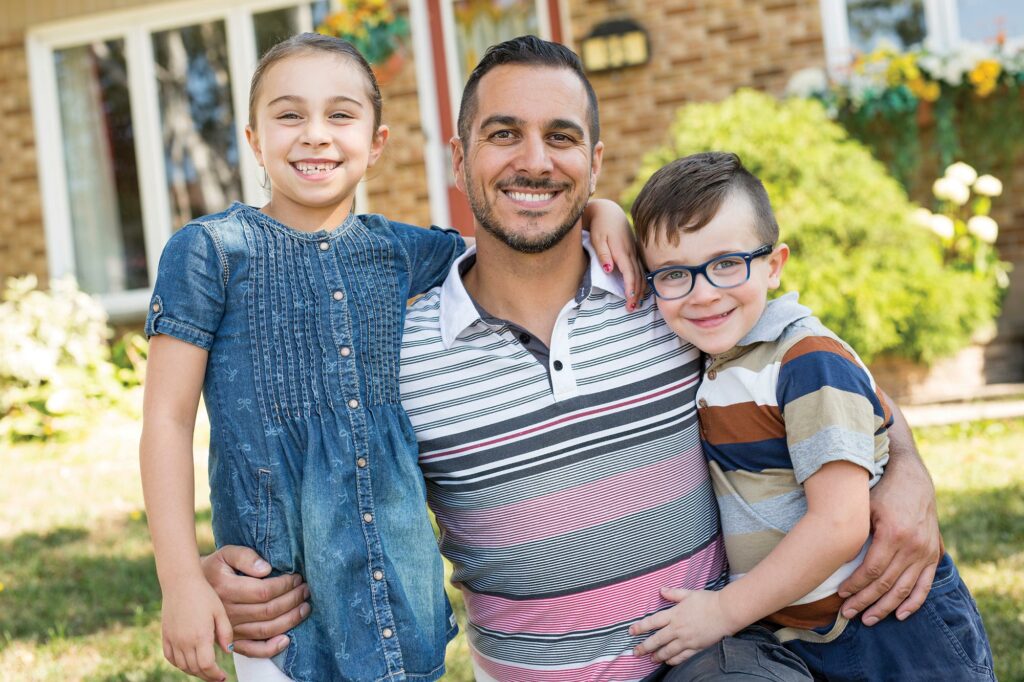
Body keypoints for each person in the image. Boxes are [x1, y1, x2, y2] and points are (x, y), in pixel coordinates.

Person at [201, 37, 944, 681]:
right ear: (459, 160)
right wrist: (222, 573)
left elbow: (811, 366)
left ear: (593, 164)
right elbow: (329, 485)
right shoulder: (394, 345)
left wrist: (908, 471)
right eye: (504, 135)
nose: (533, 161)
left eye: (559, 137)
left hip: (710, 658)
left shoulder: (668, 294)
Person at [139, 33, 639, 682]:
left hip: (405, 603)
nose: (316, 135)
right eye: (290, 115)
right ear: (255, 139)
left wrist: (600, 208)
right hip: (281, 610)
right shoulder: (211, 252)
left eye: (340, 115)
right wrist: (181, 579)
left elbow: (510, 231)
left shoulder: (398, 250)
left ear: (377, 143)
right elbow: (167, 421)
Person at [628, 151, 995, 680]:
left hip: (891, 624)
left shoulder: (806, 361)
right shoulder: (719, 359)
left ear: (774, 265)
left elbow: (841, 523)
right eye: (674, 274)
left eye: (727, 264)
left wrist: (724, 612)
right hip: (806, 632)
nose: (703, 292)